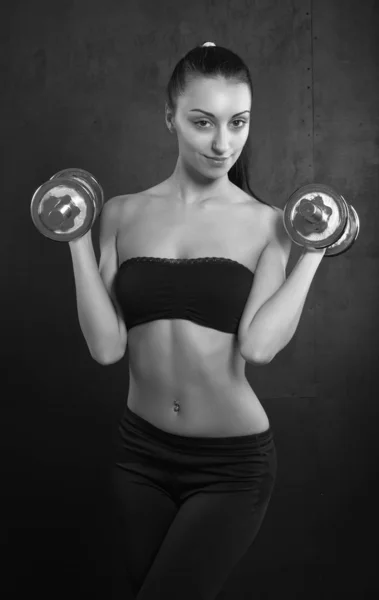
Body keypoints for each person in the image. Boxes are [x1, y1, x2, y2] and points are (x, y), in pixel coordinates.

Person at [69, 42, 325, 599]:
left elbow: (258, 348)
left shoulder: (270, 225)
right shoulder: (120, 214)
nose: (223, 142)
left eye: (238, 123)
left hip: (230, 468)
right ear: (170, 118)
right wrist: (75, 242)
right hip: (138, 455)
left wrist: (316, 251)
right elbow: (106, 348)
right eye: (203, 122)